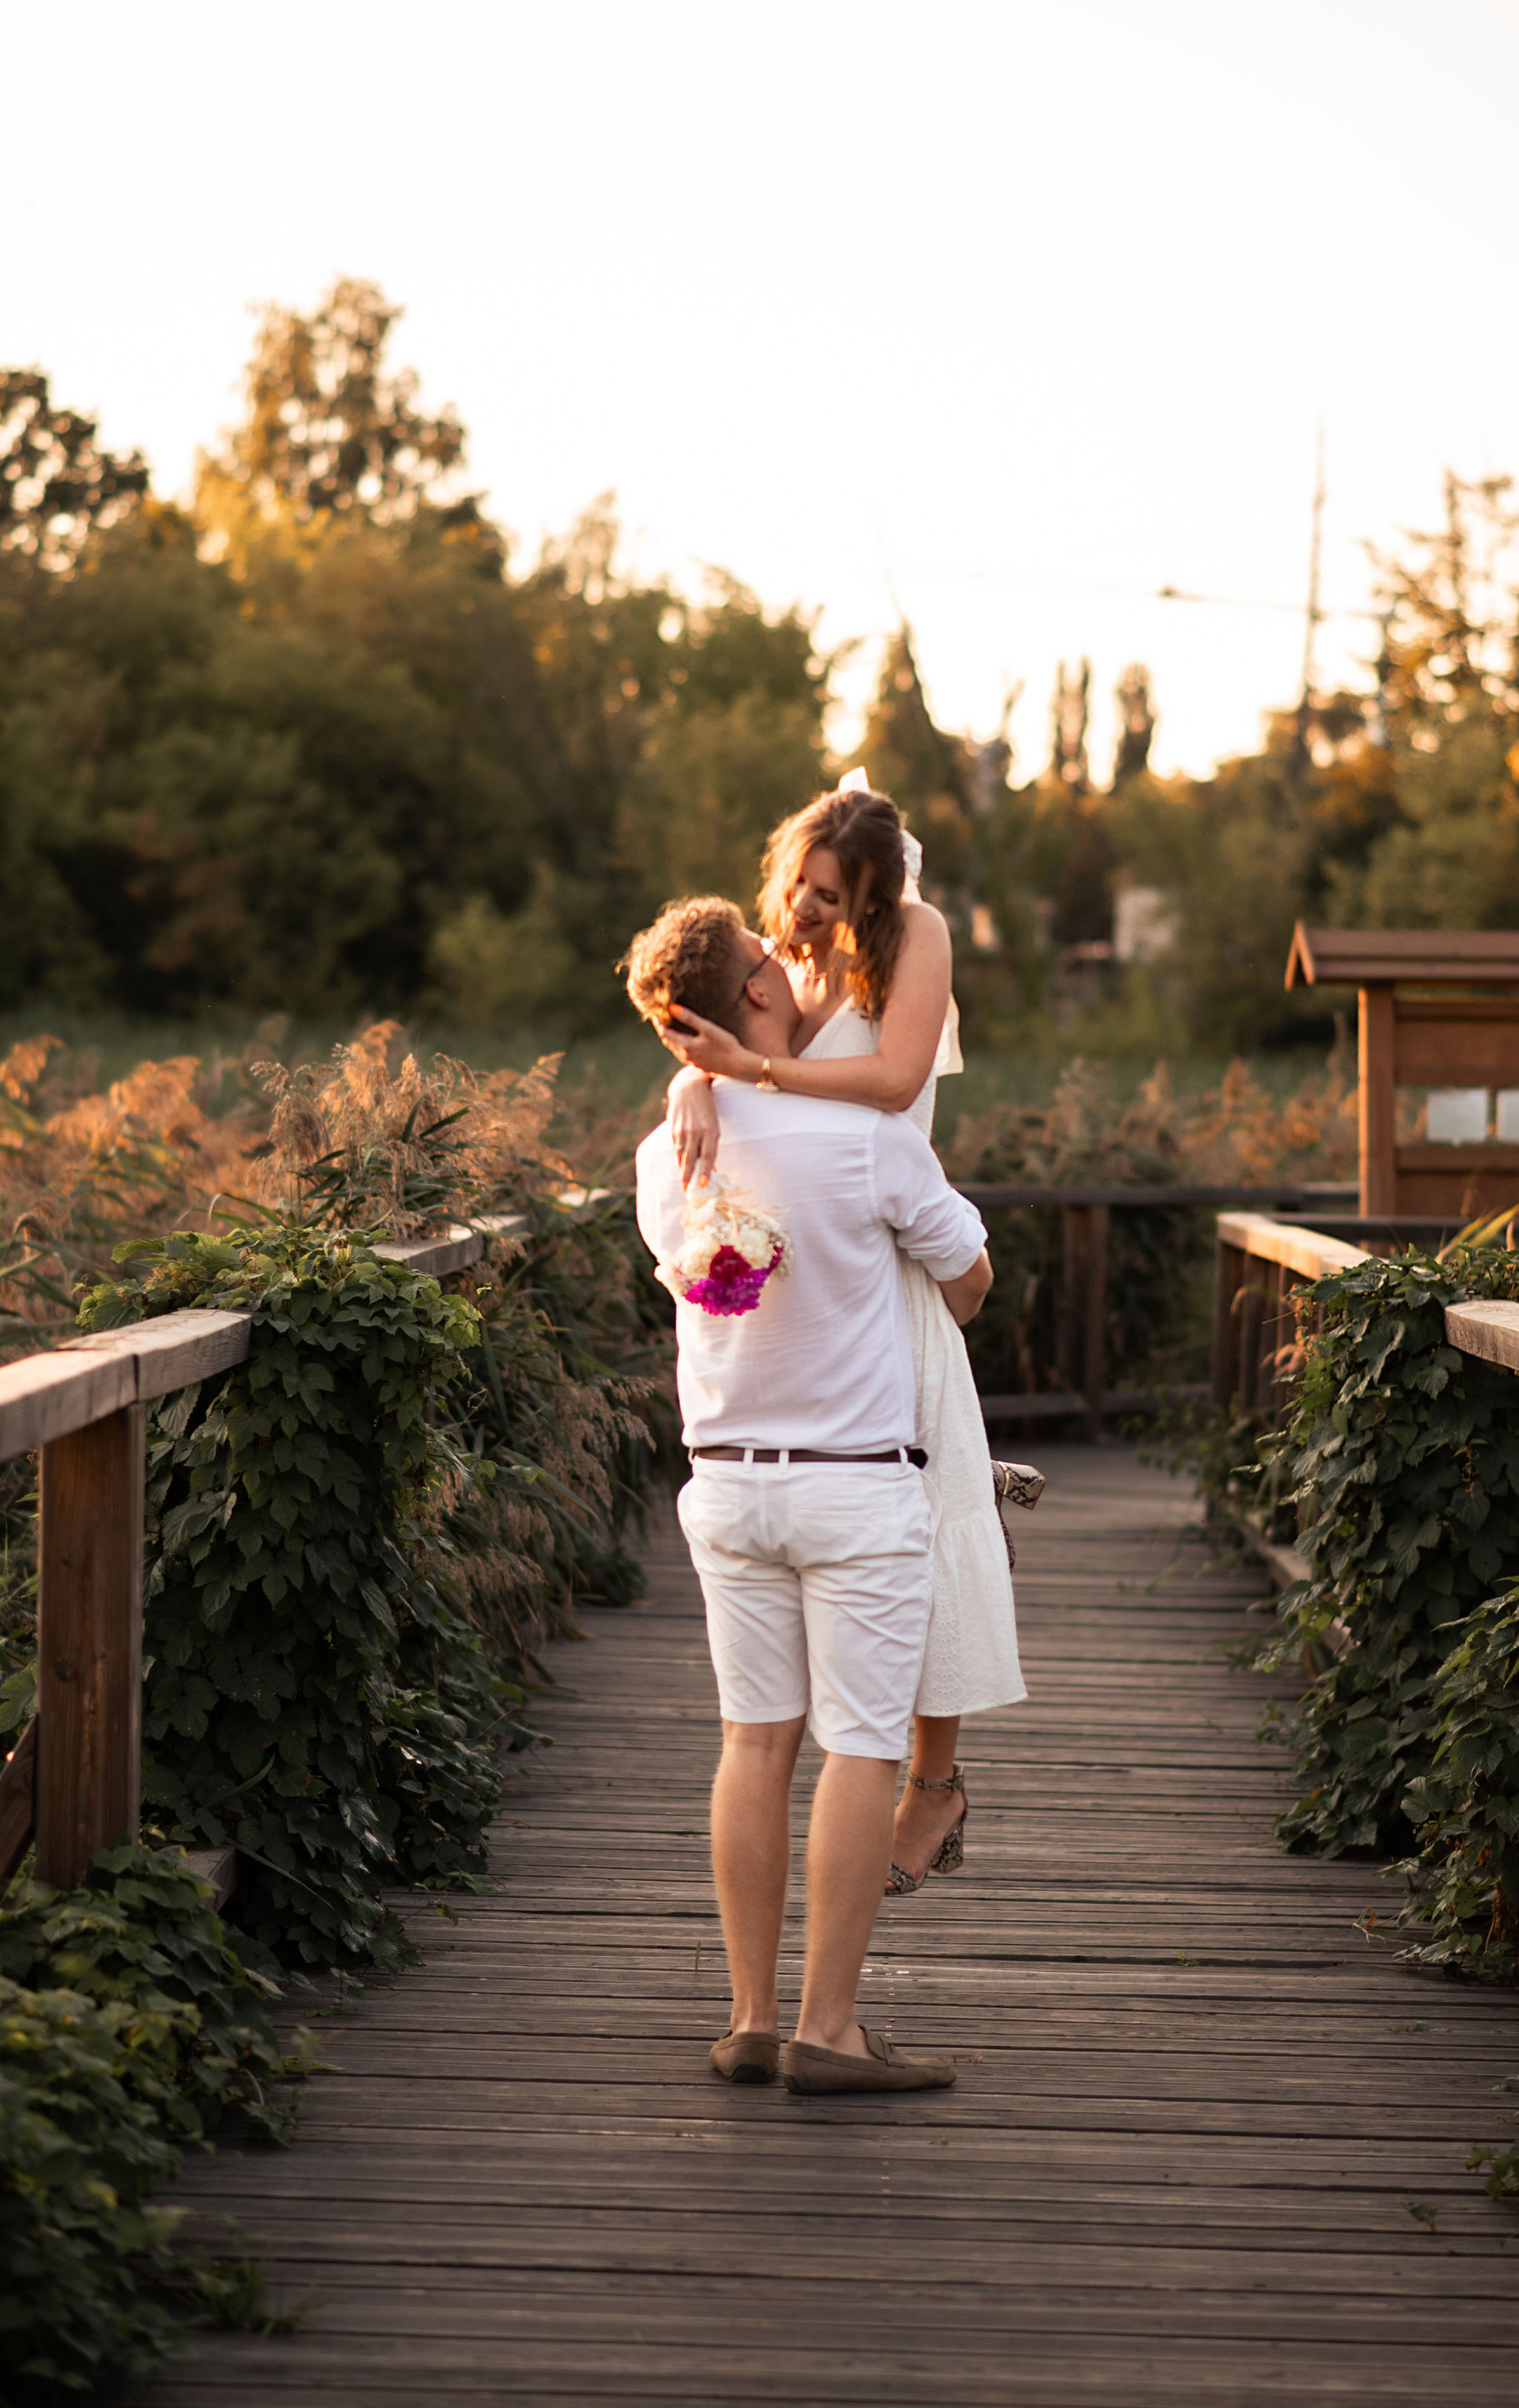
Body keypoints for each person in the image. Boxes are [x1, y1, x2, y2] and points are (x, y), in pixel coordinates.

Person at [625, 894, 993, 2094]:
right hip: (854, 1490)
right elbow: (971, 1280)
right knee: (861, 1749)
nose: (793, 958)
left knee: (753, 1740)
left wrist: (703, 1086)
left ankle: (747, 2017)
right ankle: (827, 2031)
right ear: (757, 991)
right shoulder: (868, 1137)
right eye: (771, 952)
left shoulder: (664, 1154)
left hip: (728, 1486)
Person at [661, 780, 1030, 1894]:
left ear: (874, 895)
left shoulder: (915, 937)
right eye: (799, 886)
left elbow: (893, 1078)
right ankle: (881, 1775)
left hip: (898, 1247)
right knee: (876, 1525)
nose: (805, 910)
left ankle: (935, 1781)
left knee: (933, 1509)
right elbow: (729, 1029)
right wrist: (692, 1081)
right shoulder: (786, 957)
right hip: (830, 1262)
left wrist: (749, 1072)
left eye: (831, 896)